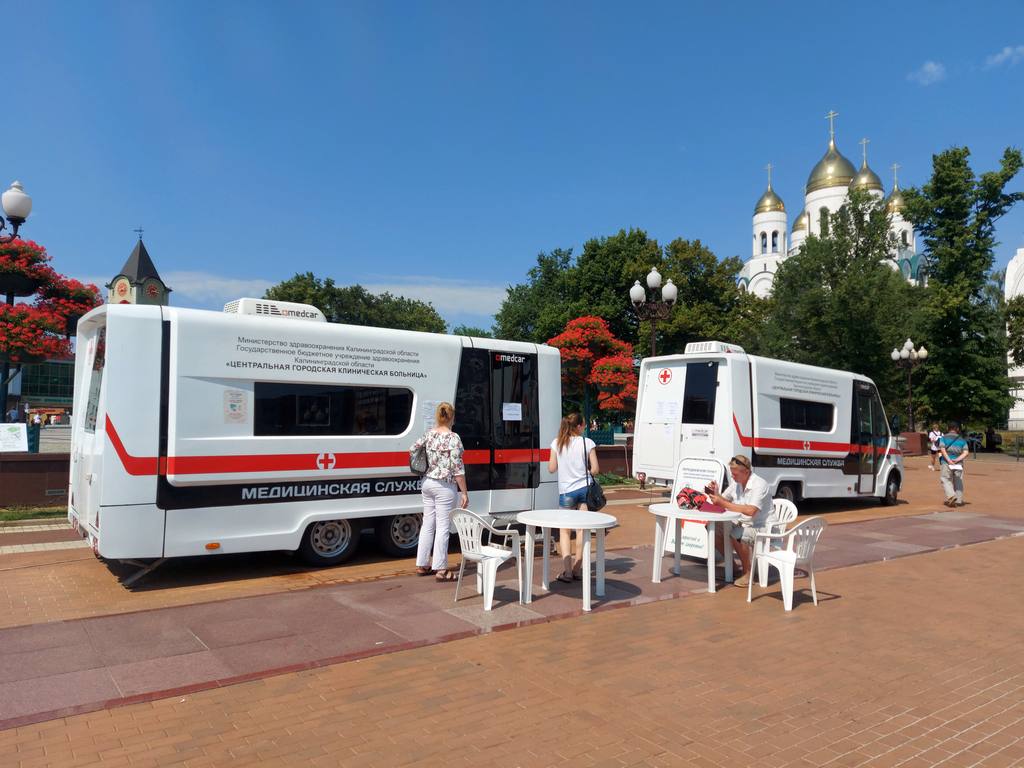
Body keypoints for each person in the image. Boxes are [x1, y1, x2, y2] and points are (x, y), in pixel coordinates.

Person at [409, 402, 468, 582]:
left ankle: (422, 564)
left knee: (428, 523)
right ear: (452, 418)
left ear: (438, 416)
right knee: (443, 527)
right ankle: (441, 569)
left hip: (427, 482)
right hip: (444, 486)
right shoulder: (453, 438)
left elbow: (412, 449)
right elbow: (458, 469)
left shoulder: (429, 434)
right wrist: (464, 492)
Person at [705, 454, 773, 588]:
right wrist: (715, 493)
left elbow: (751, 511)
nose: (732, 477)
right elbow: (722, 500)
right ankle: (733, 567)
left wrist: (723, 503)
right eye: (732, 473)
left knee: (737, 533)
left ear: (746, 472)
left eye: (735, 474)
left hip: (764, 526)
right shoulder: (737, 483)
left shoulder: (760, 484)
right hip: (745, 523)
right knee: (711, 527)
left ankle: (748, 573)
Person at [547, 413, 600, 583]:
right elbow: (596, 469)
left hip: (566, 492)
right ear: (578, 426)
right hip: (584, 490)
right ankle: (578, 568)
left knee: (564, 531)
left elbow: (551, 468)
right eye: (584, 425)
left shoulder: (557, 443)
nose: (584, 427)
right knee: (581, 530)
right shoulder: (587, 442)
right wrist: (584, 472)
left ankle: (568, 572)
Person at [938, 423, 968, 507]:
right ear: (957, 429)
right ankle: (959, 500)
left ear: (948, 428)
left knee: (945, 479)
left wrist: (949, 460)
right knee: (958, 480)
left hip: (946, 462)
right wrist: (957, 459)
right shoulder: (962, 439)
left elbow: (943, 450)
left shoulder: (943, 438)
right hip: (958, 463)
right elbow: (966, 452)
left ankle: (951, 495)